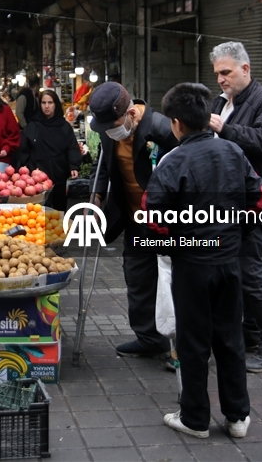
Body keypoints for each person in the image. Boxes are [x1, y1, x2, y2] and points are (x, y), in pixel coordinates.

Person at [145, 82, 262, 439]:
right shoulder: (233, 151)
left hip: (192, 266)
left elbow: (153, 215)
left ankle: (195, 418)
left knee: (193, 342)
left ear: (176, 123)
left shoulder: (173, 161)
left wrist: (174, 242)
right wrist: (235, 235)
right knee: (230, 338)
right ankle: (238, 416)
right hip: (229, 262)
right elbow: (257, 198)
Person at [208, 41, 262, 373]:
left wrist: (225, 129)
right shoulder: (221, 102)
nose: (221, 80)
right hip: (228, 201)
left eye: (226, 73)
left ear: (245, 69)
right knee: (238, 272)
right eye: (217, 74)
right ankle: (251, 335)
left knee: (250, 272)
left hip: (253, 201)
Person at [89, 82, 178, 360]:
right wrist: (97, 196)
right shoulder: (108, 131)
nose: (109, 131)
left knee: (172, 281)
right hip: (133, 217)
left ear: (131, 113)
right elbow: (103, 165)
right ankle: (149, 338)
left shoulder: (162, 129)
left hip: (166, 221)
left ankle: (182, 345)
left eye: (113, 124)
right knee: (138, 278)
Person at [19, 89, 81, 212]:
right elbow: (24, 149)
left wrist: (73, 165)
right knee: (37, 212)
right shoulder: (33, 125)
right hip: (37, 178)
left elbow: (72, 147)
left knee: (58, 210)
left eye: (50, 102)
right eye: (43, 103)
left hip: (59, 173)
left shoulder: (64, 127)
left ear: (56, 104)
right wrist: (25, 171)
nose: (47, 106)